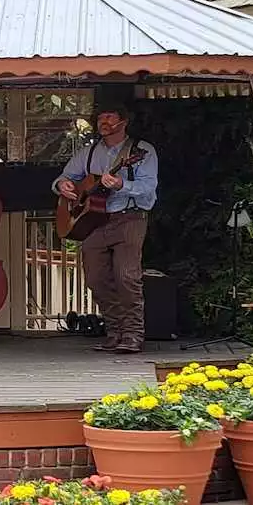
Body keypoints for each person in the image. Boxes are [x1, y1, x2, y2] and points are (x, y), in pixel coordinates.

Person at [52, 101, 158, 354]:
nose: (104, 122)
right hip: (95, 222)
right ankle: (114, 331)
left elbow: (148, 187)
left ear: (123, 121)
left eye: (110, 116)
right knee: (96, 279)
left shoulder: (142, 151)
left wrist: (122, 185)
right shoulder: (89, 153)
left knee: (127, 277)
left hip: (130, 218)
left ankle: (132, 335)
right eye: (101, 118)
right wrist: (63, 186)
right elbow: (64, 178)